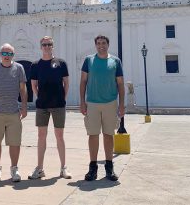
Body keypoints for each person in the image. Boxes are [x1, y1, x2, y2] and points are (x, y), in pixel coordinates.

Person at [80, 35, 125, 181]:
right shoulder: (89, 60)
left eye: (104, 43)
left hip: (110, 103)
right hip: (92, 103)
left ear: (108, 44)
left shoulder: (115, 61)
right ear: (95, 45)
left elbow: (120, 84)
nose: (101, 46)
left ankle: (109, 168)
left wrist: (122, 104)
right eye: (98, 43)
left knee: (108, 135)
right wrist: (82, 101)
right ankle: (92, 168)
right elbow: (83, 82)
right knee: (93, 135)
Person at [0, 43, 27, 182]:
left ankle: (14, 168)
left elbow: (23, 89)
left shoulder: (19, 68)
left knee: (15, 142)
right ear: (0, 54)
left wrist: (24, 106)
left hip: (13, 111)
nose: (7, 56)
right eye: (4, 53)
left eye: (10, 54)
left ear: (13, 55)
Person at [28, 36, 72, 180]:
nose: (47, 47)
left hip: (58, 105)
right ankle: (40, 168)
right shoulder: (35, 65)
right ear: (40, 47)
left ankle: (63, 168)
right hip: (42, 106)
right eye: (44, 44)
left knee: (60, 136)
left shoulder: (61, 63)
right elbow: (34, 85)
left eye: (49, 44)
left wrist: (62, 98)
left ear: (53, 46)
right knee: (41, 136)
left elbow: (66, 83)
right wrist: (40, 96)